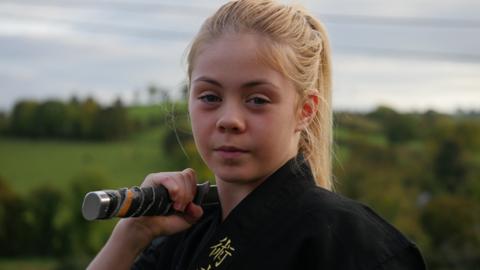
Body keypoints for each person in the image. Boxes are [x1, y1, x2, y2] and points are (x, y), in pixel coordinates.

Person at [88, 0, 426, 269]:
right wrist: (133, 233)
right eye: (210, 97)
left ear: (305, 110)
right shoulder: (177, 238)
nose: (229, 120)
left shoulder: (350, 242)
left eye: (257, 100)